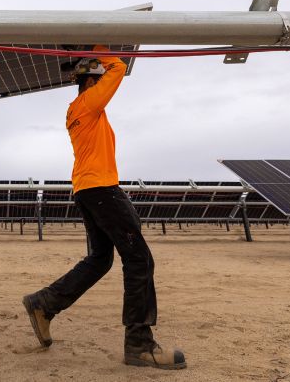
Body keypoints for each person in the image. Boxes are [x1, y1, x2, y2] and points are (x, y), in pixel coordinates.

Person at [22, 45, 186, 370]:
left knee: (100, 259)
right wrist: (99, 48)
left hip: (89, 189)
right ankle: (139, 344)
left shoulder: (82, 110)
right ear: (91, 79)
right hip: (100, 188)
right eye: (99, 77)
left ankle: (44, 304)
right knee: (139, 259)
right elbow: (118, 69)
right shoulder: (88, 103)